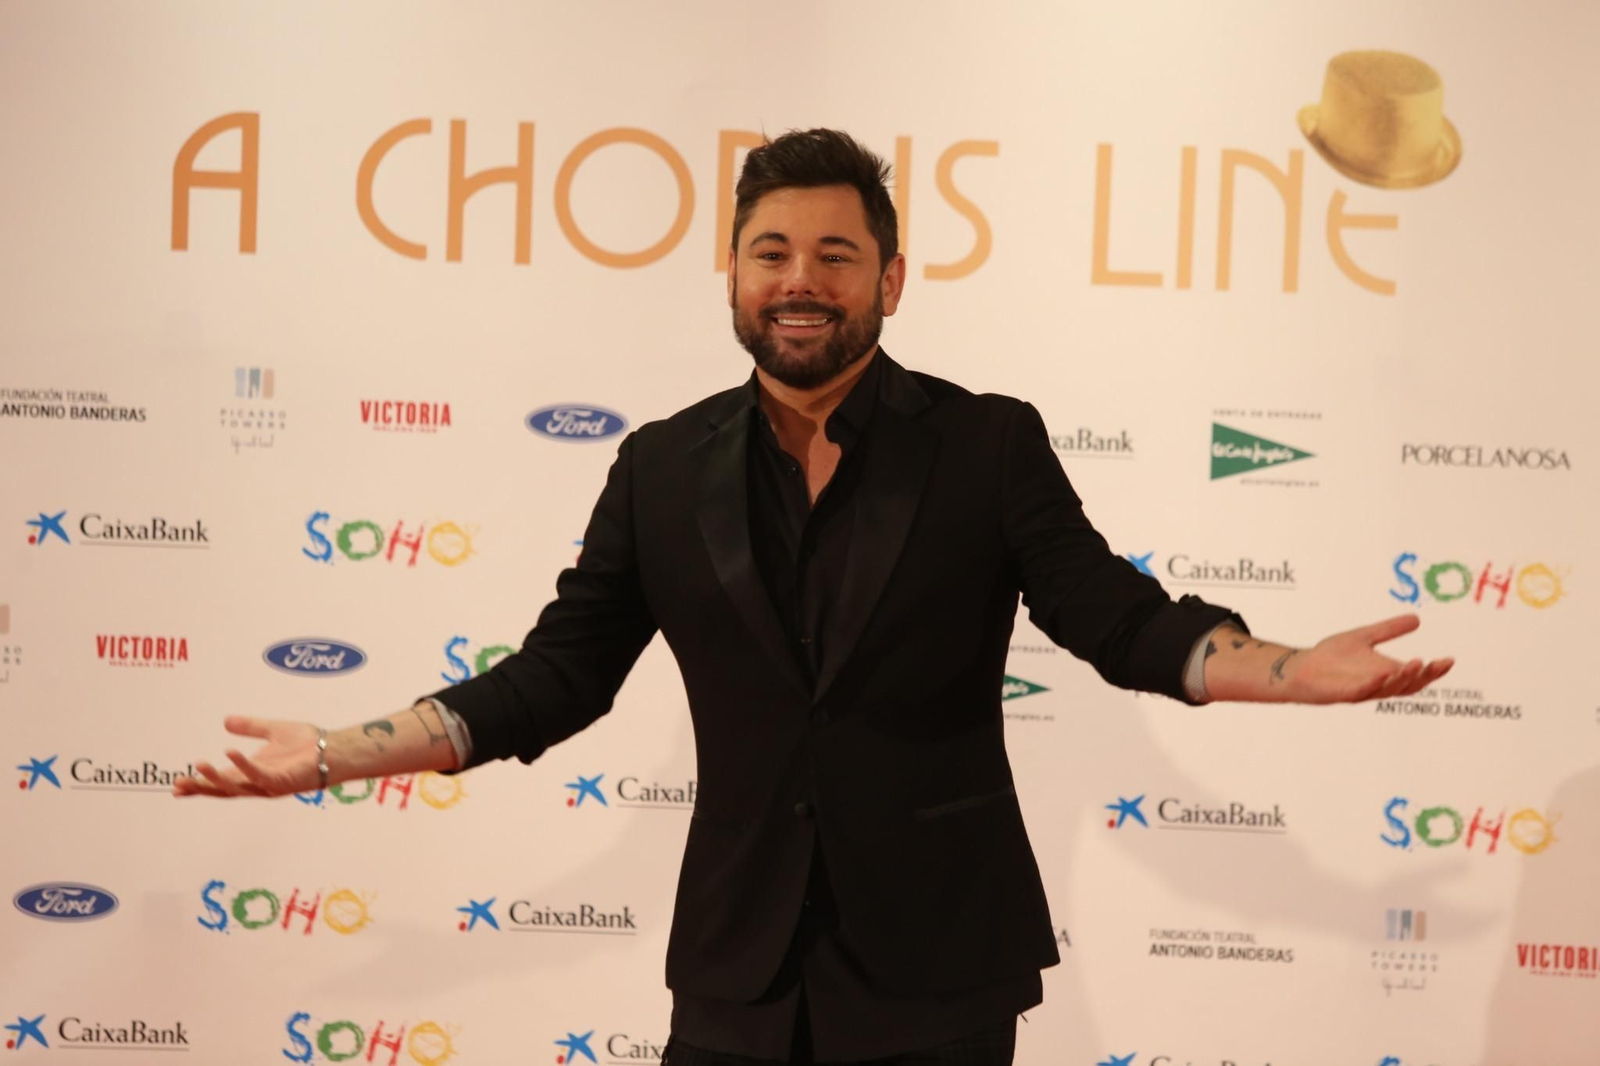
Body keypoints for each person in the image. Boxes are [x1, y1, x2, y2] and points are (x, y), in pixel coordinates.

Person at [175, 128, 1453, 1066]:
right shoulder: (660, 465)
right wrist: (336, 754)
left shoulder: (985, 443)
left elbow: (1114, 618)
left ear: (889, 282)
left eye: (836, 254)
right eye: (771, 251)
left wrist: (1284, 669)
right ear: (732, 276)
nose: (801, 278)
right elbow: (558, 675)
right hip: (737, 971)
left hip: (938, 968)